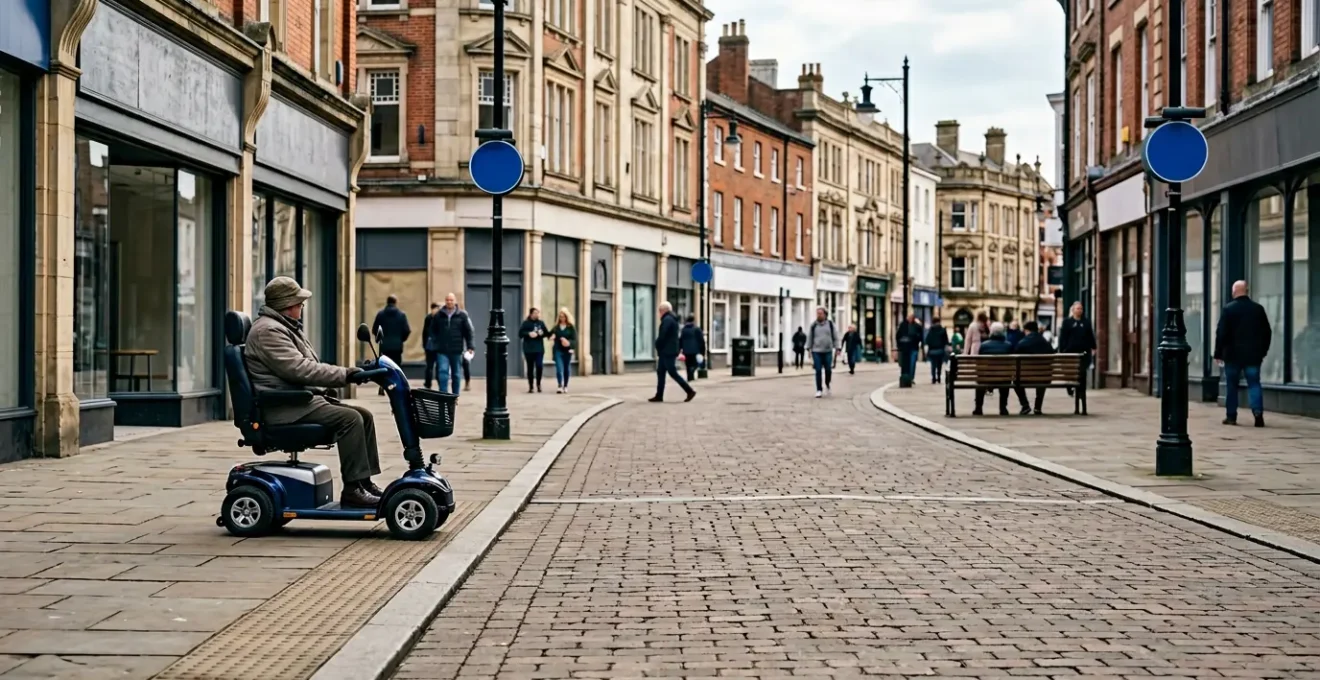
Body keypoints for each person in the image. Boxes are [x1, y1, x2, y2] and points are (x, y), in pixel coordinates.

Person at [244, 277, 381, 508]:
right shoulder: (268, 331)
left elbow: (306, 366)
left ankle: (364, 483)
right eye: (299, 303)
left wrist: (347, 375)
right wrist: (345, 374)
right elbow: (299, 369)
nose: (301, 307)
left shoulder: (284, 326)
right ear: (287, 304)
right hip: (286, 407)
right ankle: (353, 490)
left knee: (364, 416)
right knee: (350, 419)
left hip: (299, 401)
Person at [1214, 280, 1272, 427]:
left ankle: (1231, 416)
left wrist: (1218, 353)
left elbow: (1221, 333)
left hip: (1232, 355)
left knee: (1231, 386)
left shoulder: (1228, 309)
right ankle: (1258, 414)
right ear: (1247, 291)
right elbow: (1267, 332)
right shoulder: (1258, 309)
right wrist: (1263, 351)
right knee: (1254, 384)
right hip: (1253, 355)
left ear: (1234, 292)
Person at [973, 322, 1031, 416]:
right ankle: (1003, 408)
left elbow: (979, 363)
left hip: (986, 378)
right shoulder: (1008, 345)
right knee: (1006, 379)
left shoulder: (983, 346)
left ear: (991, 332)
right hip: (1004, 378)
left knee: (980, 381)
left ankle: (978, 408)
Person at [650, 301, 697, 402]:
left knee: (672, 372)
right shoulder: (672, 319)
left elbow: (663, 335)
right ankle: (659, 395)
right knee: (661, 372)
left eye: (660, 311)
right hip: (668, 350)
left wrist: (657, 344)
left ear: (663, 310)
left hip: (667, 351)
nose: (659, 313)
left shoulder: (667, 320)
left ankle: (689, 391)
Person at [428, 293, 474, 395]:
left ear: (455, 301)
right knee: (443, 372)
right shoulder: (439, 315)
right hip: (442, 350)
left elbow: (468, 332)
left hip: (456, 350)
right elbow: (432, 330)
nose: (449, 302)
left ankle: (455, 395)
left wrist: (470, 346)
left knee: (456, 374)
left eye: (451, 300)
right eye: (447, 300)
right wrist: (435, 341)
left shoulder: (462, 315)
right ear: (445, 301)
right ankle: (444, 395)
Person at [371, 295, 411, 396]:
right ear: (395, 302)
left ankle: (382, 386)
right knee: (396, 367)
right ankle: (396, 386)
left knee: (383, 367)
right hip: (397, 346)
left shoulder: (380, 314)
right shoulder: (401, 315)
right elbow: (407, 330)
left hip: (384, 346)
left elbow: (374, 329)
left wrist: (380, 339)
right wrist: (400, 339)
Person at [1057, 301, 1097, 395]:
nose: (1080, 310)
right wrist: (1062, 350)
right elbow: (1063, 337)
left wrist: (1093, 347)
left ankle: (1081, 392)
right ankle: (1069, 386)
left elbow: (1090, 335)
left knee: (1082, 372)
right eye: (1078, 308)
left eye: (1081, 309)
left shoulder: (1086, 322)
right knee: (1070, 371)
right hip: (1070, 352)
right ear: (1073, 310)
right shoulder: (1067, 322)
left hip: (1083, 352)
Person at [1015, 320, 1054, 415]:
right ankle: (1037, 407)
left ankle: (1025, 405)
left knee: (1016, 381)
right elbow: (1052, 355)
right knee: (1042, 377)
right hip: (1044, 377)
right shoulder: (1045, 342)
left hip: (1024, 378)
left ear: (1026, 330)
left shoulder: (1022, 343)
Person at [807, 307, 838, 398]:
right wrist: (808, 348)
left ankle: (827, 384)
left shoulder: (830, 324)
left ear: (825, 314)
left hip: (827, 351)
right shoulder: (813, 325)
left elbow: (835, 336)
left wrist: (837, 347)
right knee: (818, 370)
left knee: (828, 369)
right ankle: (819, 389)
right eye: (817, 313)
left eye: (820, 313)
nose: (819, 315)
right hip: (816, 351)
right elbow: (810, 337)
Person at [518, 307, 548, 393]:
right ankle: (531, 386)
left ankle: (538, 384)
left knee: (539, 366)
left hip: (539, 349)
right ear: (531, 314)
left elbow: (546, 333)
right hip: (529, 349)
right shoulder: (526, 323)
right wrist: (528, 334)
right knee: (530, 368)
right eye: (535, 313)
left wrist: (541, 334)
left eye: (538, 313)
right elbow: (520, 334)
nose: (536, 315)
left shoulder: (541, 323)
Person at [547, 308, 576, 393]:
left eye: (563, 317)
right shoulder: (556, 327)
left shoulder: (571, 327)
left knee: (566, 368)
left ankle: (565, 385)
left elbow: (575, 340)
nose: (562, 318)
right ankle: (559, 385)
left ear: (567, 317)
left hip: (567, 351)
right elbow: (549, 335)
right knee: (559, 368)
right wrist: (551, 337)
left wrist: (568, 343)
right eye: (560, 317)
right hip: (558, 350)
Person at [896, 313, 924, 378]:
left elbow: (921, 337)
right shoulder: (903, 325)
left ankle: (910, 377)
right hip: (905, 348)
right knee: (905, 363)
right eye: (909, 318)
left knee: (912, 363)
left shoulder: (917, 326)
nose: (910, 319)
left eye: (911, 318)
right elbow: (898, 336)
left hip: (913, 347)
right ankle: (905, 376)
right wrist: (899, 345)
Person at [924, 317, 950, 383]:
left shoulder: (931, 330)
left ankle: (933, 378)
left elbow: (927, 340)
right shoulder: (943, 330)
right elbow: (946, 341)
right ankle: (938, 377)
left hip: (932, 351)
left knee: (933, 365)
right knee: (939, 365)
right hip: (940, 350)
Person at [679, 315, 705, 381]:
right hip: (695, 350)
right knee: (695, 364)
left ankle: (690, 377)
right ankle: (691, 372)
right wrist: (702, 351)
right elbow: (701, 340)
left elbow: (681, 340)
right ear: (693, 321)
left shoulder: (684, 330)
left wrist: (680, 349)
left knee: (688, 364)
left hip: (686, 350)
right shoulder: (697, 329)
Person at [421, 302, 440, 390]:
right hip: (429, 346)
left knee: (438, 366)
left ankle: (439, 381)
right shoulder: (428, 318)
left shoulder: (439, 318)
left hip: (438, 346)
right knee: (429, 366)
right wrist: (424, 344)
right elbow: (424, 332)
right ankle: (428, 383)